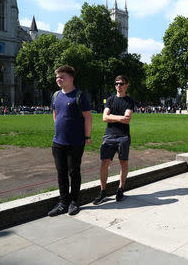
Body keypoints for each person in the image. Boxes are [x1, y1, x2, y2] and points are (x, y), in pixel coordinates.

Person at [48, 65, 92, 216]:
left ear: (71, 78)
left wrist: (87, 136)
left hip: (75, 142)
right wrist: (59, 130)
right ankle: (63, 202)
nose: (58, 79)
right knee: (61, 173)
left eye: (62, 77)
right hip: (58, 142)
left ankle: (74, 202)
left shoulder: (79, 96)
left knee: (74, 172)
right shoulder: (55, 95)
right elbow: (55, 113)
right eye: (57, 77)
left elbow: (87, 117)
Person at [93, 75, 134, 205]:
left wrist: (112, 116)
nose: (118, 86)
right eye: (116, 83)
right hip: (109, 135)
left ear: (126, 85)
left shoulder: (129, 101)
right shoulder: (110, 100)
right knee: (104, 163)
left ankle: (121, 189)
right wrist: (120, 118)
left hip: (123, 136)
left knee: (123, 163)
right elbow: (104, 118)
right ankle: (103, 191)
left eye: (121, 84)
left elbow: (127, 119)